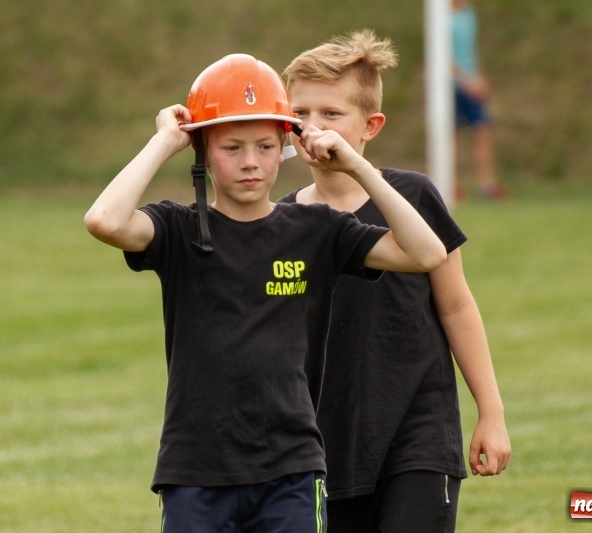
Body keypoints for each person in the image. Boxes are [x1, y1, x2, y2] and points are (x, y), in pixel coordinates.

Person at [83, 53, 447, 533]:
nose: (250, 163)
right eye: (231, 147)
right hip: (195, 472)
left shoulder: (317, 229)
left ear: (285, 146)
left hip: (292, 472)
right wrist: (165, 141)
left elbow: (425, 254)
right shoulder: (178, 229)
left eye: (264, 146)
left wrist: (357, 165)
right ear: (203, 152)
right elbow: (103, 220)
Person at [280, 30, 511, 533]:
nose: (312, 128)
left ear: (371, 126)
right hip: (323, 441)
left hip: (418, 433)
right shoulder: (281, 222)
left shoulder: (414, 197)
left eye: (331, 114)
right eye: (299, 114)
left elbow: (455, 306)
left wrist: (490, 413)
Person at [452, 0, 508, 200]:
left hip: (473, 84)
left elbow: (471, 52)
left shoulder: (469, 12)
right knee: (452, 136)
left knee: (482, 131)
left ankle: (485, 184)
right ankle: (450, 184)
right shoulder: (441, 18)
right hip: (453, 87)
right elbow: (442, 57)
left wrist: (481, 78)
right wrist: (466, 81)